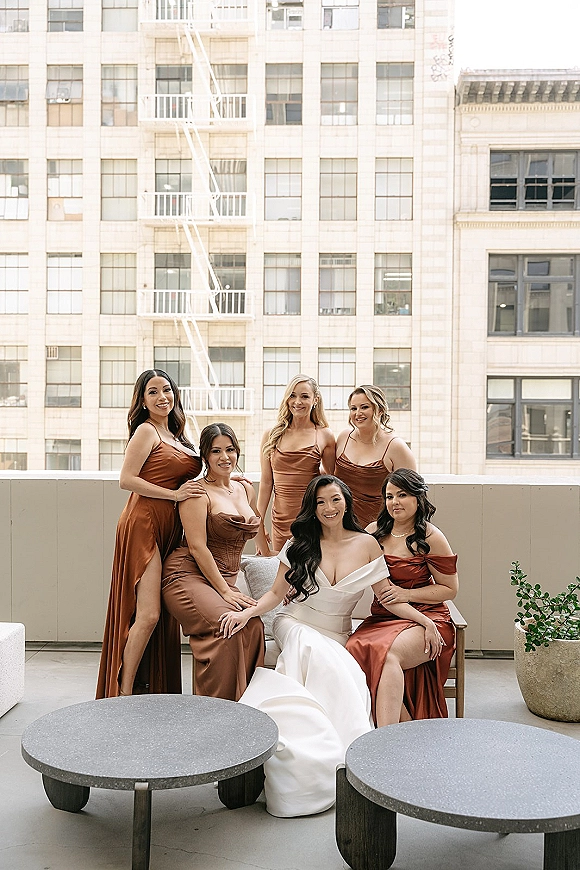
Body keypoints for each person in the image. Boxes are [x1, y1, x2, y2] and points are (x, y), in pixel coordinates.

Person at [220, 475, 440, 818]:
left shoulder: (367, 544)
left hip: (337, 635)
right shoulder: (299, 542)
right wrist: (248, 612)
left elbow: (387, 596)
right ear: (312, 507)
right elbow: (276, 596)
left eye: (335, 500)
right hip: (296, 624)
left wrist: (425, 621)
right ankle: (325, 761)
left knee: (349, 676)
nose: (328, 508)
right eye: (320, 502)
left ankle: (360, 757)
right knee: (312, 647)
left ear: (346, 502)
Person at [96, 370, 202, 699]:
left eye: (166, 389)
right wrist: (174, 496)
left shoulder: (179, 436)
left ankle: (146, 686)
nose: (161, 397)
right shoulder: (145, 431)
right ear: (142, 400)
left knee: (159, 614)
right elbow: (126, 479)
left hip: (171, 526)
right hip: (144, 522)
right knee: (149, 613)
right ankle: (122, 692)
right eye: (152, 392)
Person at [346, 468, 458, 727]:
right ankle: (405, 730)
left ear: (418, 498)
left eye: (402, 495)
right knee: (354, 648)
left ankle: (385, 736)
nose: (394, 502)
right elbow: (367, 581)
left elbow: (449, 589)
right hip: (385, 615)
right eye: (389, 496)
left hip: (429, 615)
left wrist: (408, 596)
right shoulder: (374, 532)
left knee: (389, 654)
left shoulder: (431, 536)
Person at [161, 423, 265, 701]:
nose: (224, 457)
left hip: (222, 581)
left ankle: (248, 706)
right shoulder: (195, 492)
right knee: (227, 625)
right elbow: (197, 547)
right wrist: (225, 591)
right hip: (186, 576)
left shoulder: (244, 489)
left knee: (253, 625)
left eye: (230, 449)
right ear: (205, 456)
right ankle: (214, 713)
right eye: (216, 450)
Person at [256, 375, 335, 555]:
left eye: (304, 396)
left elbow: (332, 479)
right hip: (280, 520)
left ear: (315, 400)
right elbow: (267, 482)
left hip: (312, 517)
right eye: (292, 395)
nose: (297, 402)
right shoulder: (271, 434)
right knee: (281, 574)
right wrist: (258, 523)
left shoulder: (325, 435)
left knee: (312, 573)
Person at [335, 385, 417, 528]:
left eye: (364, 407)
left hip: (378, 529)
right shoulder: (343, 437)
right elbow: (330, 476)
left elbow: (413, 495)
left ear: (380, 410)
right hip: (340, 527)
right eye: (353, 408)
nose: (358, 413)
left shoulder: (396, 447)